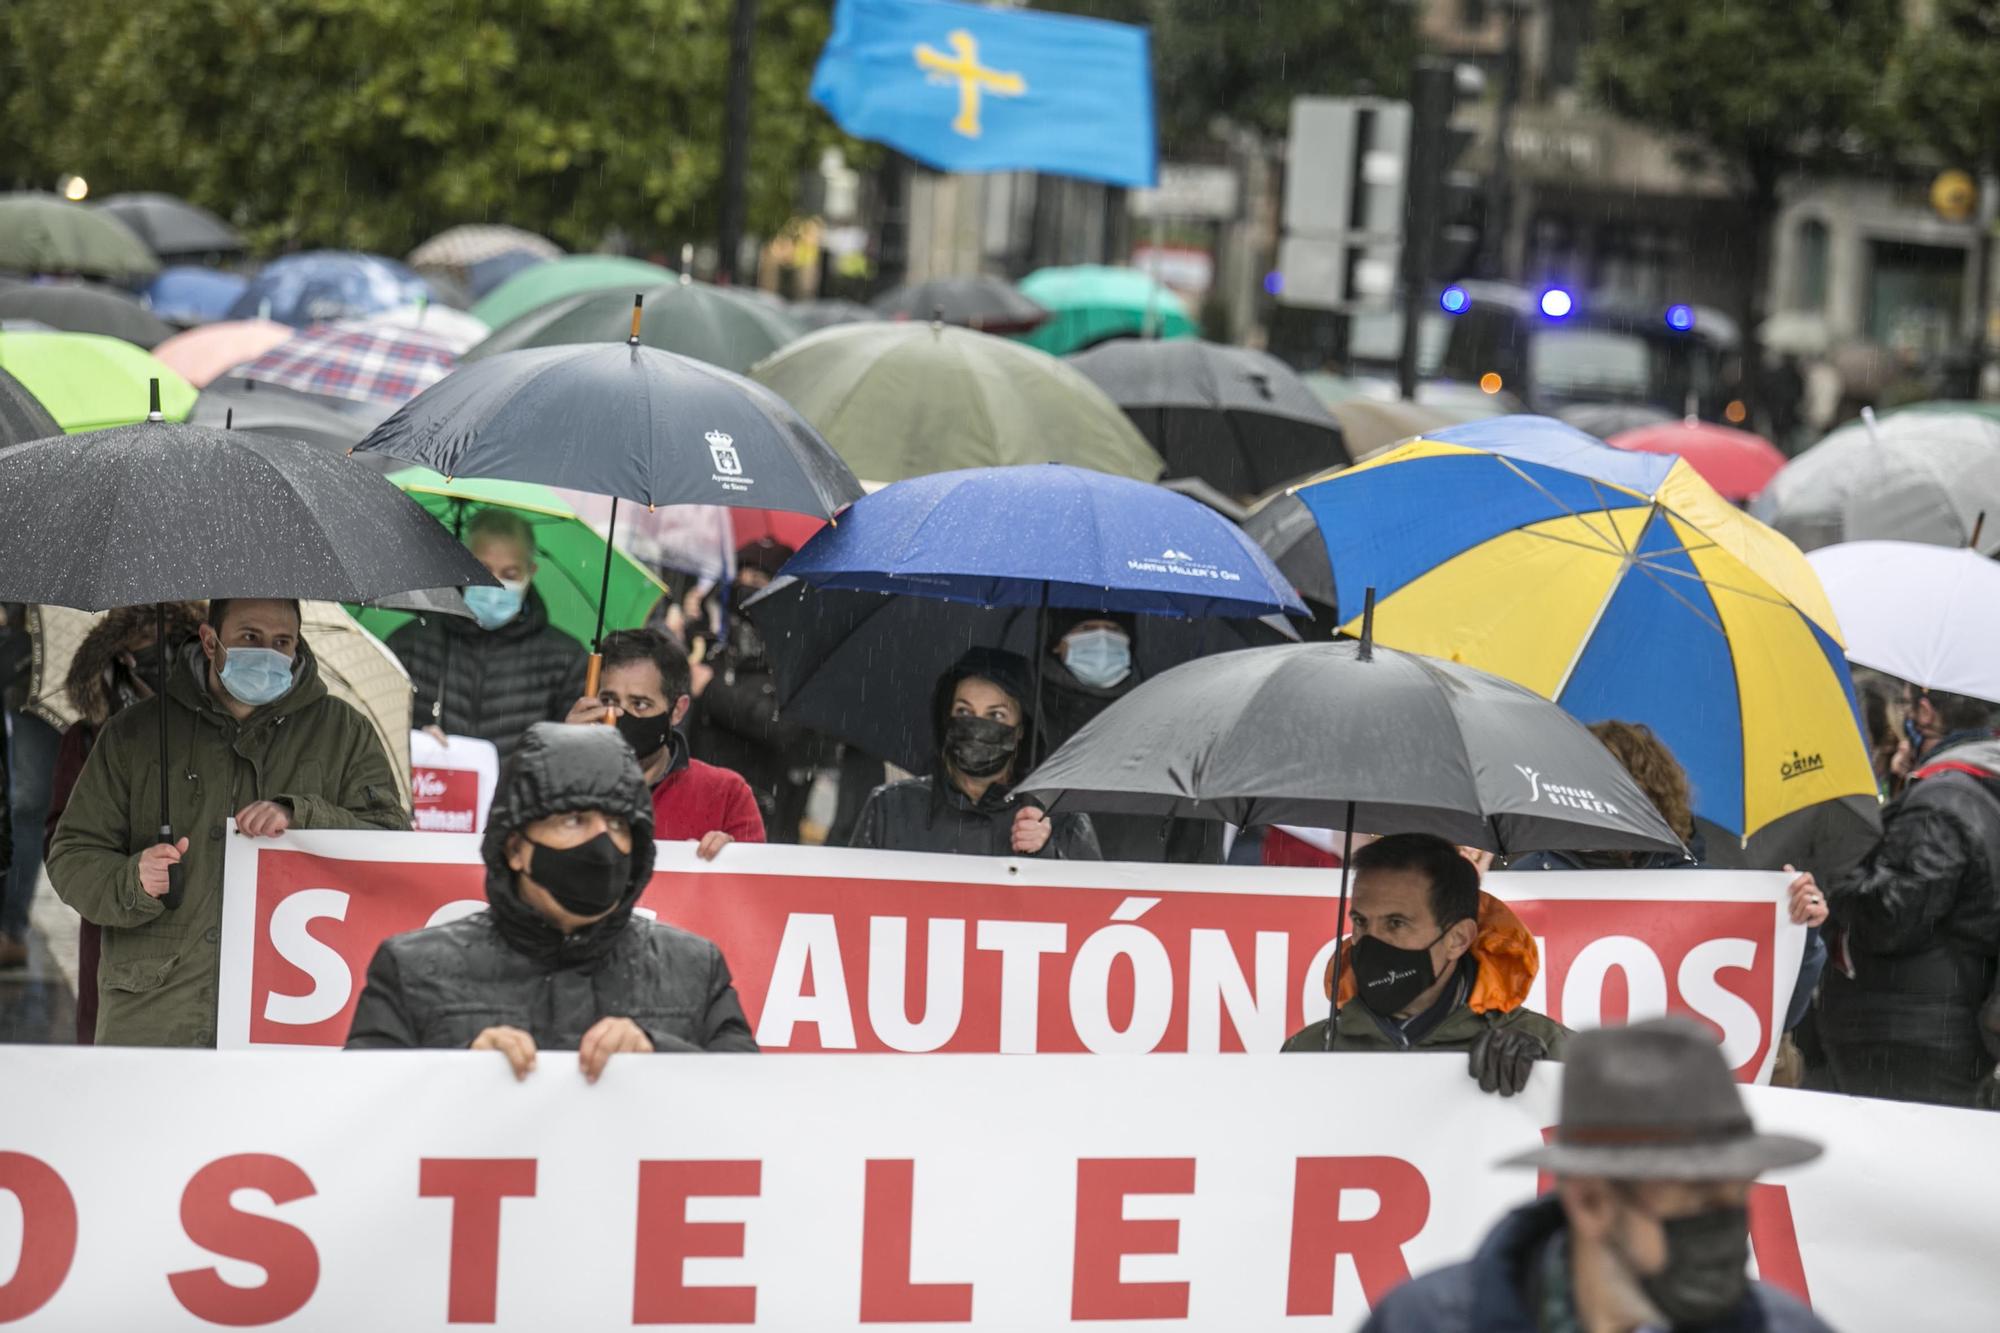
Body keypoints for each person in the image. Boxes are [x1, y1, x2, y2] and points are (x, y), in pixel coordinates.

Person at [48, 598, 406, 1046]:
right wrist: (132, 880)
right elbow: (71, 855)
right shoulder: (134, 733)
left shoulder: (344, 734)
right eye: (250, 637)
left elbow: (393, 844)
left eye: (282, 642)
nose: (267, 652)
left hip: (290, 1011)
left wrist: (303, 815)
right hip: (156, 1015)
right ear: (209, 640)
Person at [1359, 1017, 1829, 1333]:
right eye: (1697, 1203)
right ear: (1590, 1202)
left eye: (1736, 1198)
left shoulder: (1786, 1326)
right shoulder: (1423, 1322)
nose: (1727, 1232)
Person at [347, 723, 756, 1068]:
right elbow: (359, 1117)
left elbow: (754, 1112)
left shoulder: (694, 970)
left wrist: (660, 1055)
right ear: (515, 848)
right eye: (574, 820)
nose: (601, 842)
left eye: (617, 824)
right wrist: (456, 1070)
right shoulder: (412, 972)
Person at [1508, 722, 1829, 1070]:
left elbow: (1777, 1015)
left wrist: (1798, 929)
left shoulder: (1707, 894)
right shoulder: (1528, 883)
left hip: (1671, 1107)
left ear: (1648, 798)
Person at [1820, 683, 2000, 1107]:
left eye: (1903, 704)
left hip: (1907, 1033)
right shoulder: (1972, 790)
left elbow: (1893, 916)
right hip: (1941, 1021)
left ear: (1925, 713)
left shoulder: (1942, 800)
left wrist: (1837, 873)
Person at [1282, 833, 1566, 1097]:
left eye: (1396, 923)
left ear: (1457, 939)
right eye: (1360, 921)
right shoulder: (1311, 1051)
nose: (1371, 941)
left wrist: (1546, 1080)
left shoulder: (1545, 1047)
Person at [40, 603, 204, 1041]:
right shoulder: (91, 737)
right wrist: (129, 868)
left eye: (174, 649)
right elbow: (61, 844)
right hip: (118, 936)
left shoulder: (211, 735)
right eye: (149, 655)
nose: (163, 666)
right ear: (121, 663)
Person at [851, 648, 1100, 859]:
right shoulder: (891, 807)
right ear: (946, 718)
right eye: (964, 711)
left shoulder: (1062, 819)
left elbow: (1093, 909)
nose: (978, 727)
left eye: (996, 715)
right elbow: (852, 902)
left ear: (1021, 729)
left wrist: (1046, 852)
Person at [387, 507, 587, 767]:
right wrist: (413, 743)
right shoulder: (411, 643)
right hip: (428, 799)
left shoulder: (565, 660)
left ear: (531, 571)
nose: (494, 586)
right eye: (484, 571)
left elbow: (568, 759)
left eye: (510, 575)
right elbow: (379, 730)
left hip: (518, 805)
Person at [1037, 610, 1223, 864]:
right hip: (1049, 886)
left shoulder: (1166, 719)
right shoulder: (1030, 716)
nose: (1102, 640)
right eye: (1086, 628)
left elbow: (1194, 828)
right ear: (1057, 643)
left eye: (1114, 630)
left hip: (1144, 885)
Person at [564, 627, 763, 858]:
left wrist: (730, 859)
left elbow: (755, 887)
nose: (619, 714)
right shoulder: (563, 779)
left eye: (640, 704)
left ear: (678, 710)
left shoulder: (726, 794)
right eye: (609, 700)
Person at [688, 540, 821, 842]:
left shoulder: (795, 655)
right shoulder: (716, 641)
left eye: (758, 580)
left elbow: (781, 726)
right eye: (742, 578)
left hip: (761, 809)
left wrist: (712, 690)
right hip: (703, 800)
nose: (746, 587)